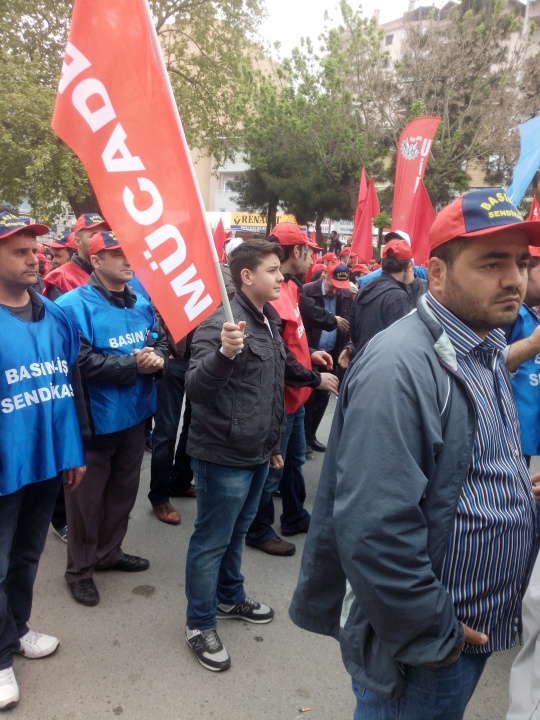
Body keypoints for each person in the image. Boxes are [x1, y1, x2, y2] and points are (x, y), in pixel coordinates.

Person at [290, 188, 540, 720]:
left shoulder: (483, 347)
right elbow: (373, 526)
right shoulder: (400, 365)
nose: (514, 279)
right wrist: (432, 631)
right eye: (492, 263)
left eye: (521, 263)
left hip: (467, 628)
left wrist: (515, 486)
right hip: (429, 648)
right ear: (439, 274)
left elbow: (459, 464)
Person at [184, 240, 286, 672]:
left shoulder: (268, 318)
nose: (281, 277)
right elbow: (195, 388)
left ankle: (229, 597)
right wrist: (224, 354)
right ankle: (199, 623)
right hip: (222, 455)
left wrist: (273, 444)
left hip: (257, 453)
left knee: (238, 532)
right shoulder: (220, 322)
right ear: (247, 276)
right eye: (273, 270)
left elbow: (269, 389)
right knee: (211, 541)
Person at [0, 211, 86, 710]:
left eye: (35, 250)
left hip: (46, 461)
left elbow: (64, 389)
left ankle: (17, 628)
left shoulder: (55, 316)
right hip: (4, 466)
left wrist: (71, 452)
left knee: (28, 555)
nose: (34, 259)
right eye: (20, 251)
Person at [57, 231, 168, 607]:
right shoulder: (72, 305)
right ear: (95, 260)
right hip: (94, 422)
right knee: (85, 504)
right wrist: (132, 365)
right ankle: (80, 570)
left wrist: (157, 357)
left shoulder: (141, 302)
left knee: (123, 494)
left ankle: (109, 552)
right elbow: (77, 361)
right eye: (116, 253)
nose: (127, 259)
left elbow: (159, 339)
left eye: (129, 252)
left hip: (135, 416)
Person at [245, 223, 339, 557]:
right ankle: (258, 529)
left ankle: (294, 515)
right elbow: (278, 355)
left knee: (295, 460)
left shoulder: (290, 287)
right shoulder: (271, 295)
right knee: (274, 469)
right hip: (281, 400)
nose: (312, 258)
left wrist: (309, 353)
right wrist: (315, 378)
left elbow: (292, 339)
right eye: (309, 251)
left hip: (295, 398)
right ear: (296, 251)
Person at [302, 262, 352, 452]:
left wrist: (347, 347)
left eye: (340, 287)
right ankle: (303, 439)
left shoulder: (345, 295)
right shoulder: (307, 291)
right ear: (324, 276)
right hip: (310, 352)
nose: (335, 291)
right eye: (332, 285)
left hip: (332, 353)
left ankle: (311, 435)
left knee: (323, 396)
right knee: (308, 397)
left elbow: (350, 323)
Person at [346, 234, 416, 360]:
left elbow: (353, 331)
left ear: (383, 264)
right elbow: (399, 345)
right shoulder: (398, 297)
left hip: (361, 361)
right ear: (408, 267)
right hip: (383, 365)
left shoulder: (364, 288)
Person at [43, 213, 109, 300]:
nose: (101, 240)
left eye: (104, 235)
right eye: (94, 235)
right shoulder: (60, 278)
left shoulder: (114, 273)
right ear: (78, 242)